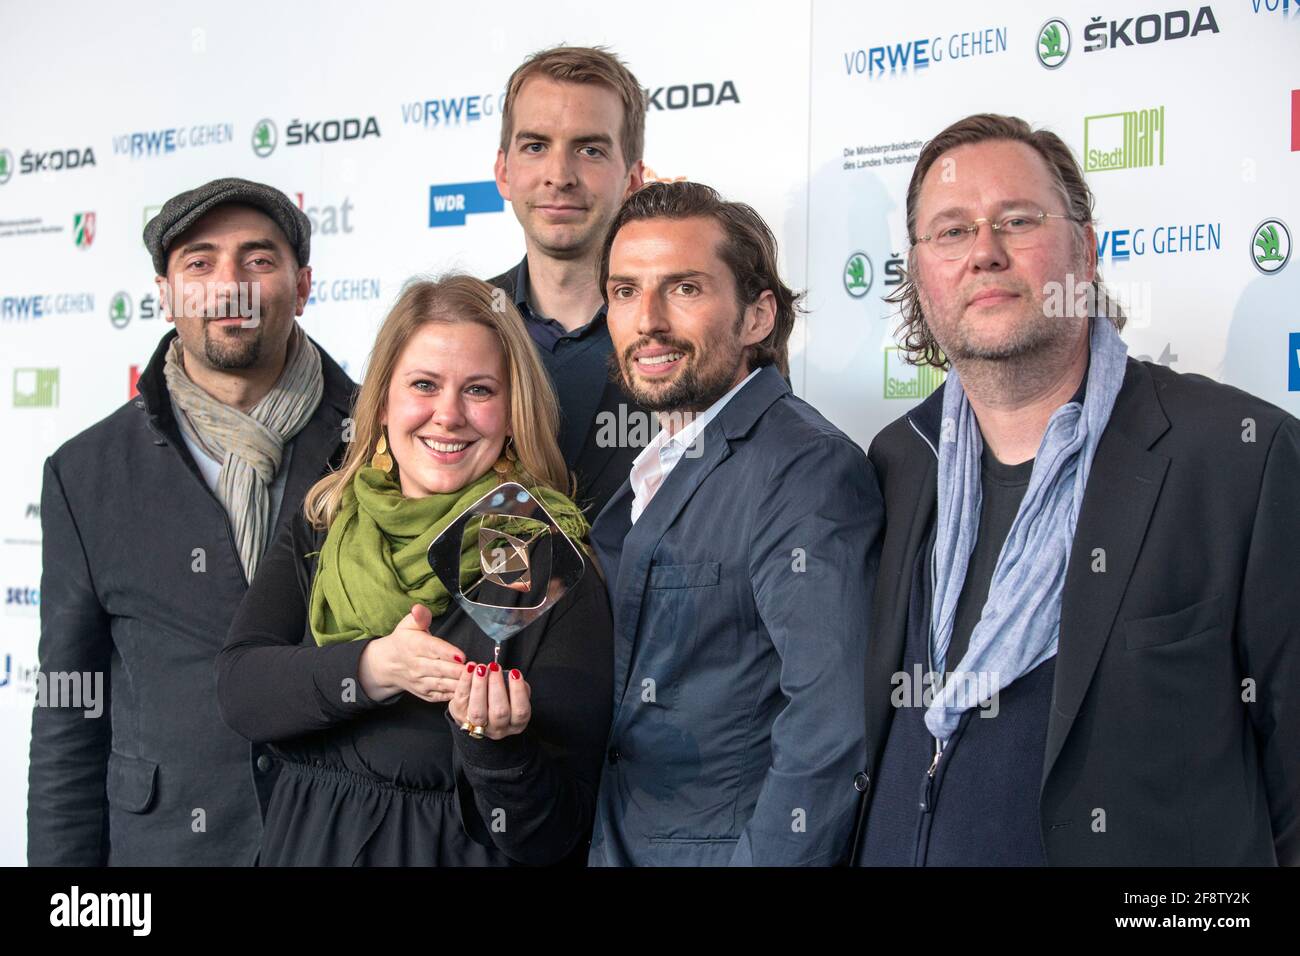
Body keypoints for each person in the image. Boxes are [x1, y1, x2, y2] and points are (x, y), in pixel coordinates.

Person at [852, 114, 1300, 866]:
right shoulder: (899, 461)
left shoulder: (1238, 459)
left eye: (1017, 221)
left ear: (1085, 250)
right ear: (920, 276)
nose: (984, 254)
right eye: (951, 232)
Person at [215, 276, 613, 866]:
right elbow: (241, 690)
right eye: (424, 385)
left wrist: (497, 749)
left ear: (512, 412)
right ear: (382, 402)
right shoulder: (326, 521)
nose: (447, 416)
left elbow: (558, 832)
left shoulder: (533, 553)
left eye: (478, 390)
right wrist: (374, 668)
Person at [28, 178, 355, 865]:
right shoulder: (85, 473)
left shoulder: (383, 441)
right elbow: (69, 710)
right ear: (165, 293)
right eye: (200, 263)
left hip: (342, 839)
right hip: (166, 849)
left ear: (302, 287)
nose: (228, 285)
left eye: (258, 260)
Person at [587, 182, 882, 866]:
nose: (647, 321)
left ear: (757, 316)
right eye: (625, 292)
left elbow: (831, 730)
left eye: (684, 289)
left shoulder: (805, 469)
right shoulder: (650, 464)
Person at [489, 45, 650, 519]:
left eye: (590, 149)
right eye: (536, 146)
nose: (559, 176)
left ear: (633, 180)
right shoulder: (453, 326)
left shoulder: (685, 333)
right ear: (504, 171)